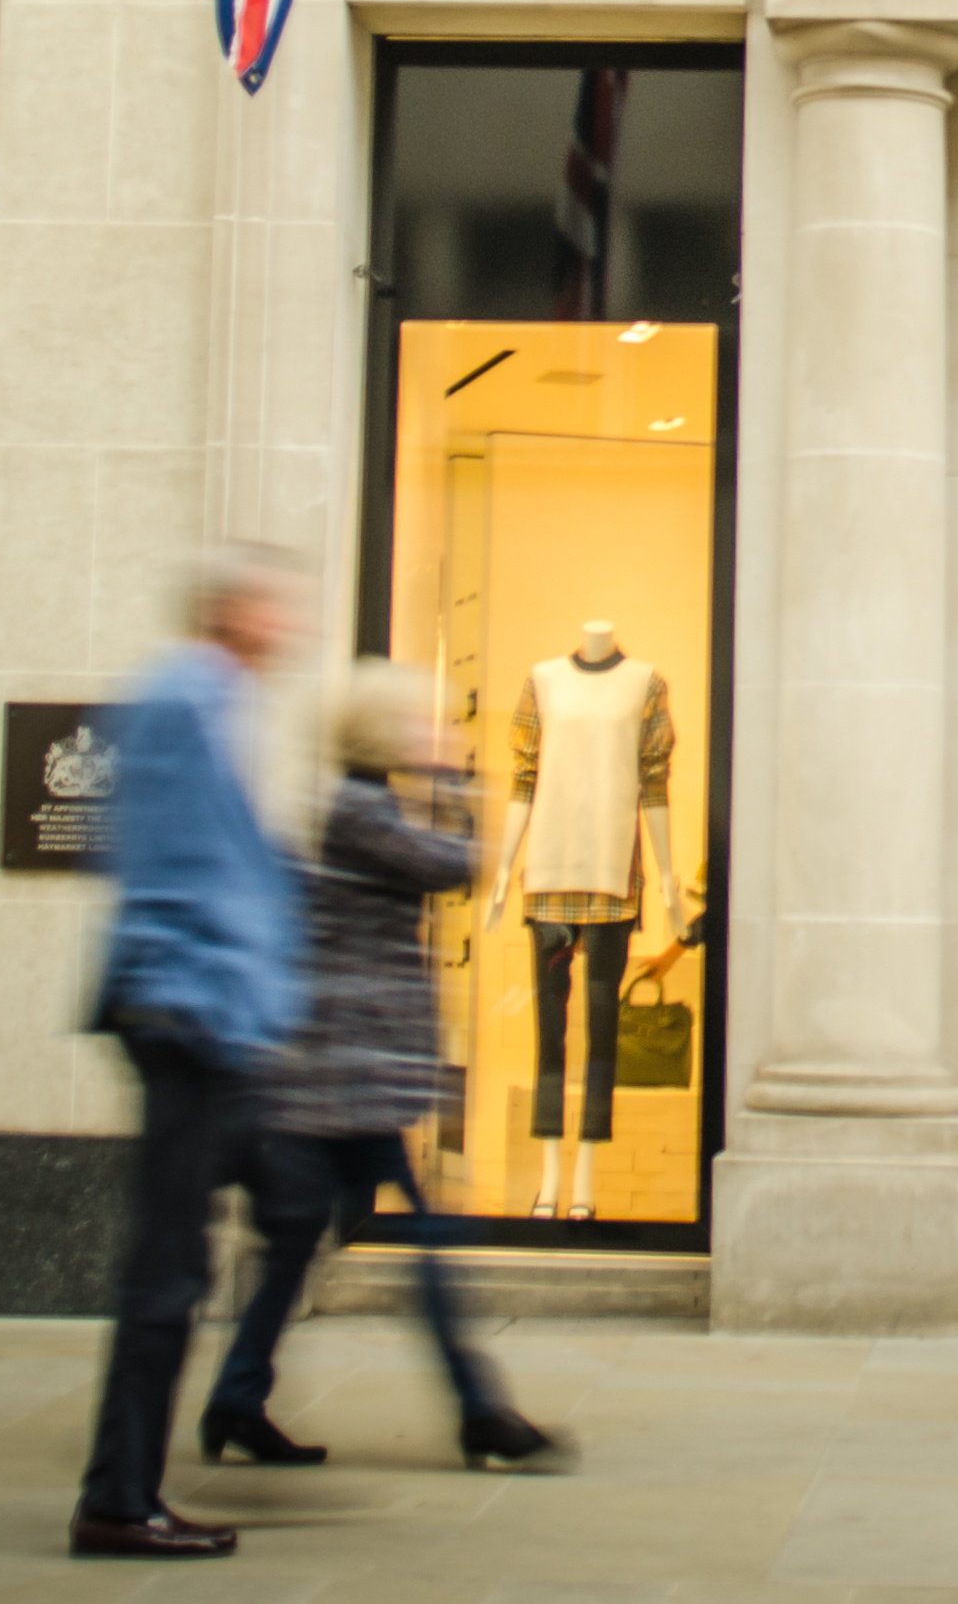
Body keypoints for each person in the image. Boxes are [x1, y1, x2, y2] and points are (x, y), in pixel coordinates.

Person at [201, 663, 561, 1475]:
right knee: (420, 1234)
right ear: (382, 733)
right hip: (338, 1072)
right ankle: (478, 1409)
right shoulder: (358, 811)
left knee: (297, 1240)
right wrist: (460, 777)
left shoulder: (355, 803)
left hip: (335, 1071)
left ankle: (237, 1397)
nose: (432, 732)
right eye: (419, 723)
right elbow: (454, 863)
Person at [71, 547, 310, 1561]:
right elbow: (184, 867)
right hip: (189, 1014)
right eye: (272, 607)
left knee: (293, 1201)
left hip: (209, 1014)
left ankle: (216, 1414)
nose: (287, 625)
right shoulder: (190, 696)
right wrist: (221, 995)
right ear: (231, 612)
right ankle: (118, 1502)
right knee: (166, 1268)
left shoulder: (208, 696)